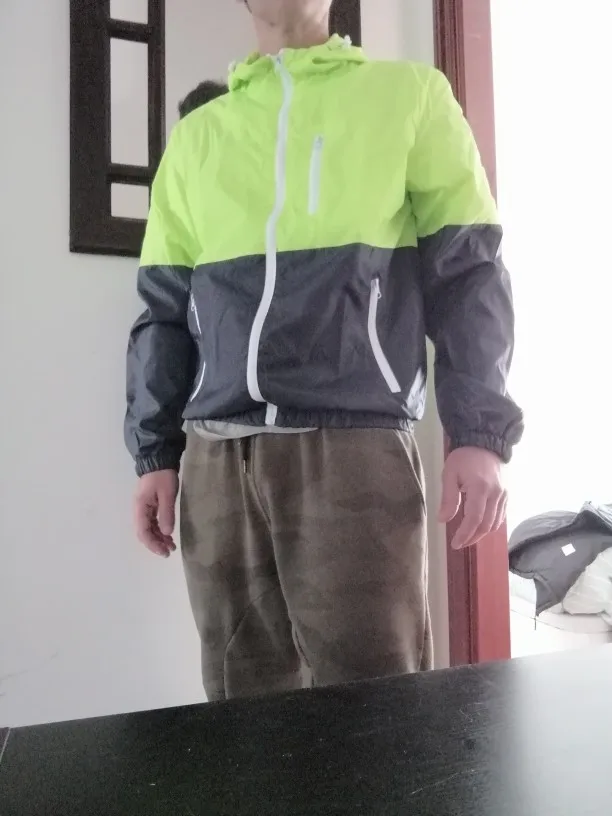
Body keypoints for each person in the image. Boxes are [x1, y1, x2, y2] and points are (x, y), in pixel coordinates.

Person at [125, 0, 524, 701]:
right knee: (241, 711)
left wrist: (479, 432)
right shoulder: (197, 137)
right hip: (218, 463)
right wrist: (154, 450)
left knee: (375, 708)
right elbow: (164, 309)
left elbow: (469, 275)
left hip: (354, 449)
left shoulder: (410, 98)